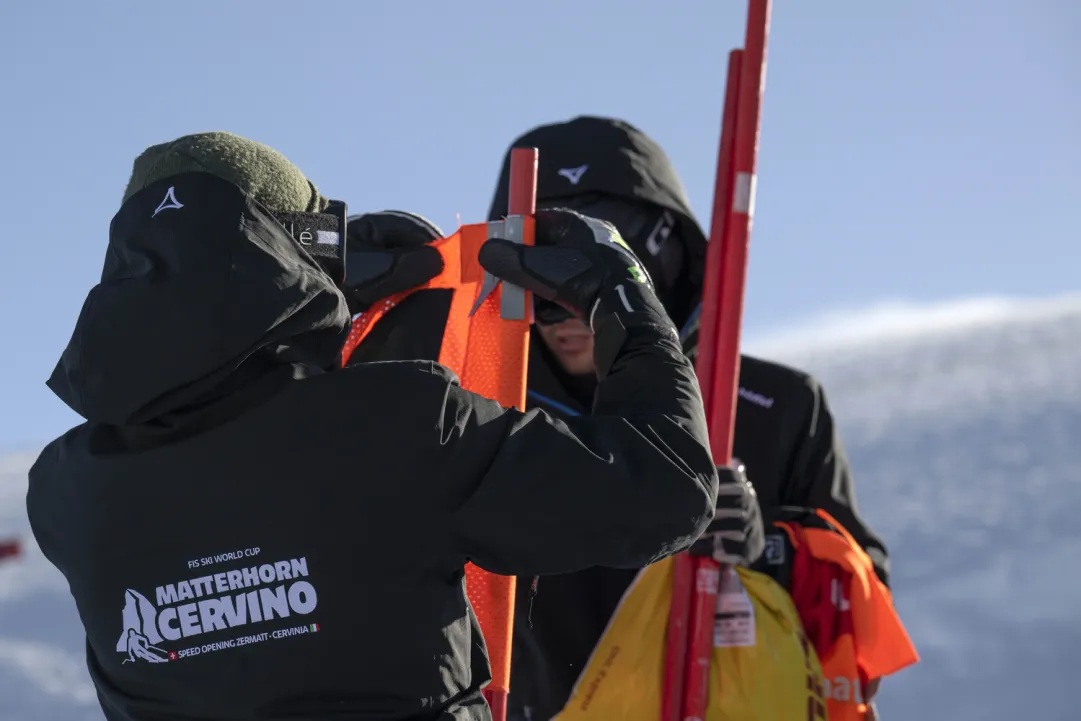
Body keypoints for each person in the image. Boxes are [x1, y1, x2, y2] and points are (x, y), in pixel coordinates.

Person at [25, 131, 722, 721]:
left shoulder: (63, 494)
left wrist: (319, 299)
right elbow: (663, 484)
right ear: (284, 251)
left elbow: (230, 435)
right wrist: (625, 301)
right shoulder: (403, 425)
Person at [483, 116, 891, 721]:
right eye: (539, 266)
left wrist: (769, 549)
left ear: (663, 257)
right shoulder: (478, 411)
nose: (566, 304)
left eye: (597, 267)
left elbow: (863, 619)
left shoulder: (774, 407)